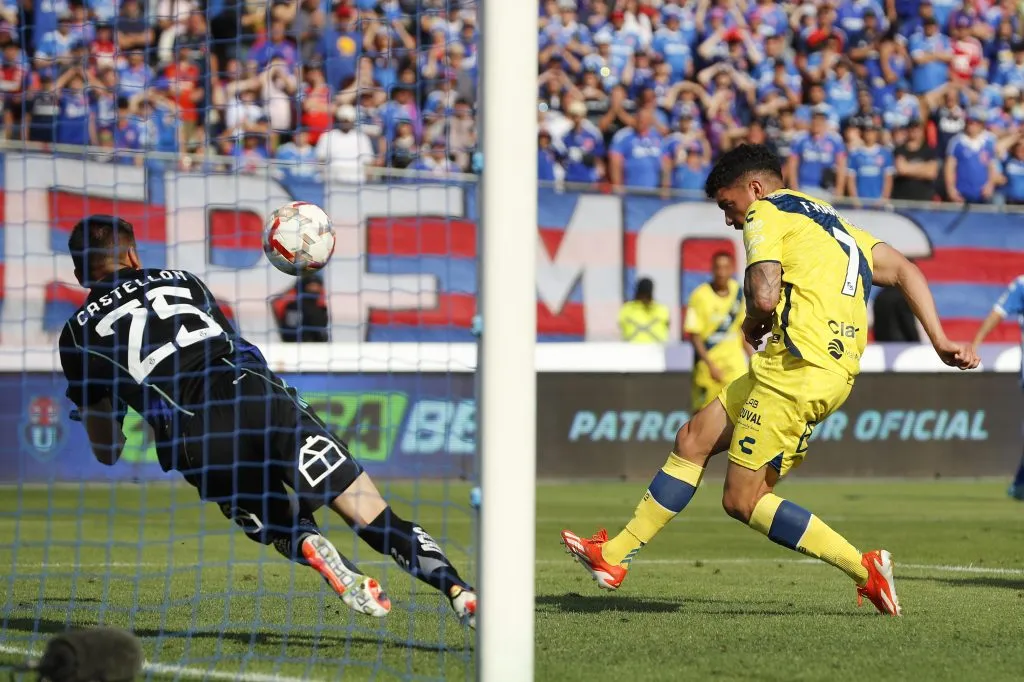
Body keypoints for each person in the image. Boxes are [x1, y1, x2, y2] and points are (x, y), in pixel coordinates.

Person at [562, 144, 978, 616]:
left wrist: (754, 319)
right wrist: (939, 339)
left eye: (728, 205)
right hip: (797, 364)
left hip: (799, 371)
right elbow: (904, 269)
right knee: (693, 438)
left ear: (755, 189)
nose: (730, 220)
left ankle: (865, 569)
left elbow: (763, 294)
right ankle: (613, 556)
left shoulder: (766, 211)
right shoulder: (831, 221)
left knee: (743, 500)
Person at [58, 215, 477, 627]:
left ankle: (308, 541)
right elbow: (228, 342)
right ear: (133, 254)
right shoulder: (183, 281)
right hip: (258, 396)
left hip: (194, 435)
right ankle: (458, 589)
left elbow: (108, 449)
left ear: (80, 274)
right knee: (373, 514)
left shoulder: (77, 334)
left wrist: (106, 415)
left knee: (280, 520)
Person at [971, 275, 1024, 500]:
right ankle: (1020, 484)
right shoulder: (1022, 285)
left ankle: (1020, 483)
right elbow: (998, 312)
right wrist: (976, 343)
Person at [683, 251, 750, 410]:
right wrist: (710, 365)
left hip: (734, 364)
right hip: (709, 365)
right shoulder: (699, 295)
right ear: (712, 269)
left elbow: (741, 330)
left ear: (732, 269)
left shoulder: (738, 293)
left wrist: (752, 356)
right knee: (704, 413)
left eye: (726, 268)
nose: (721, 272)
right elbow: (694, 335)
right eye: (718, 268)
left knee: (738, 409)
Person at [278, 276, 329, 342]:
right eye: (312, 286)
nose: (315, 289)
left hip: (319, 345)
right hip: (299, 344)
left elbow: (322, 333)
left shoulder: (320, 308)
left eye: (317, 286)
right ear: (304, 287)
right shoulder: (294, 307)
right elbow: (290, 331)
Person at [618, 278, 669, 343]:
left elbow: (621, 325)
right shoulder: (662, 309)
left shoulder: (627, 308)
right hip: (656, 348)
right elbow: (667, 325)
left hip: (631, 347)